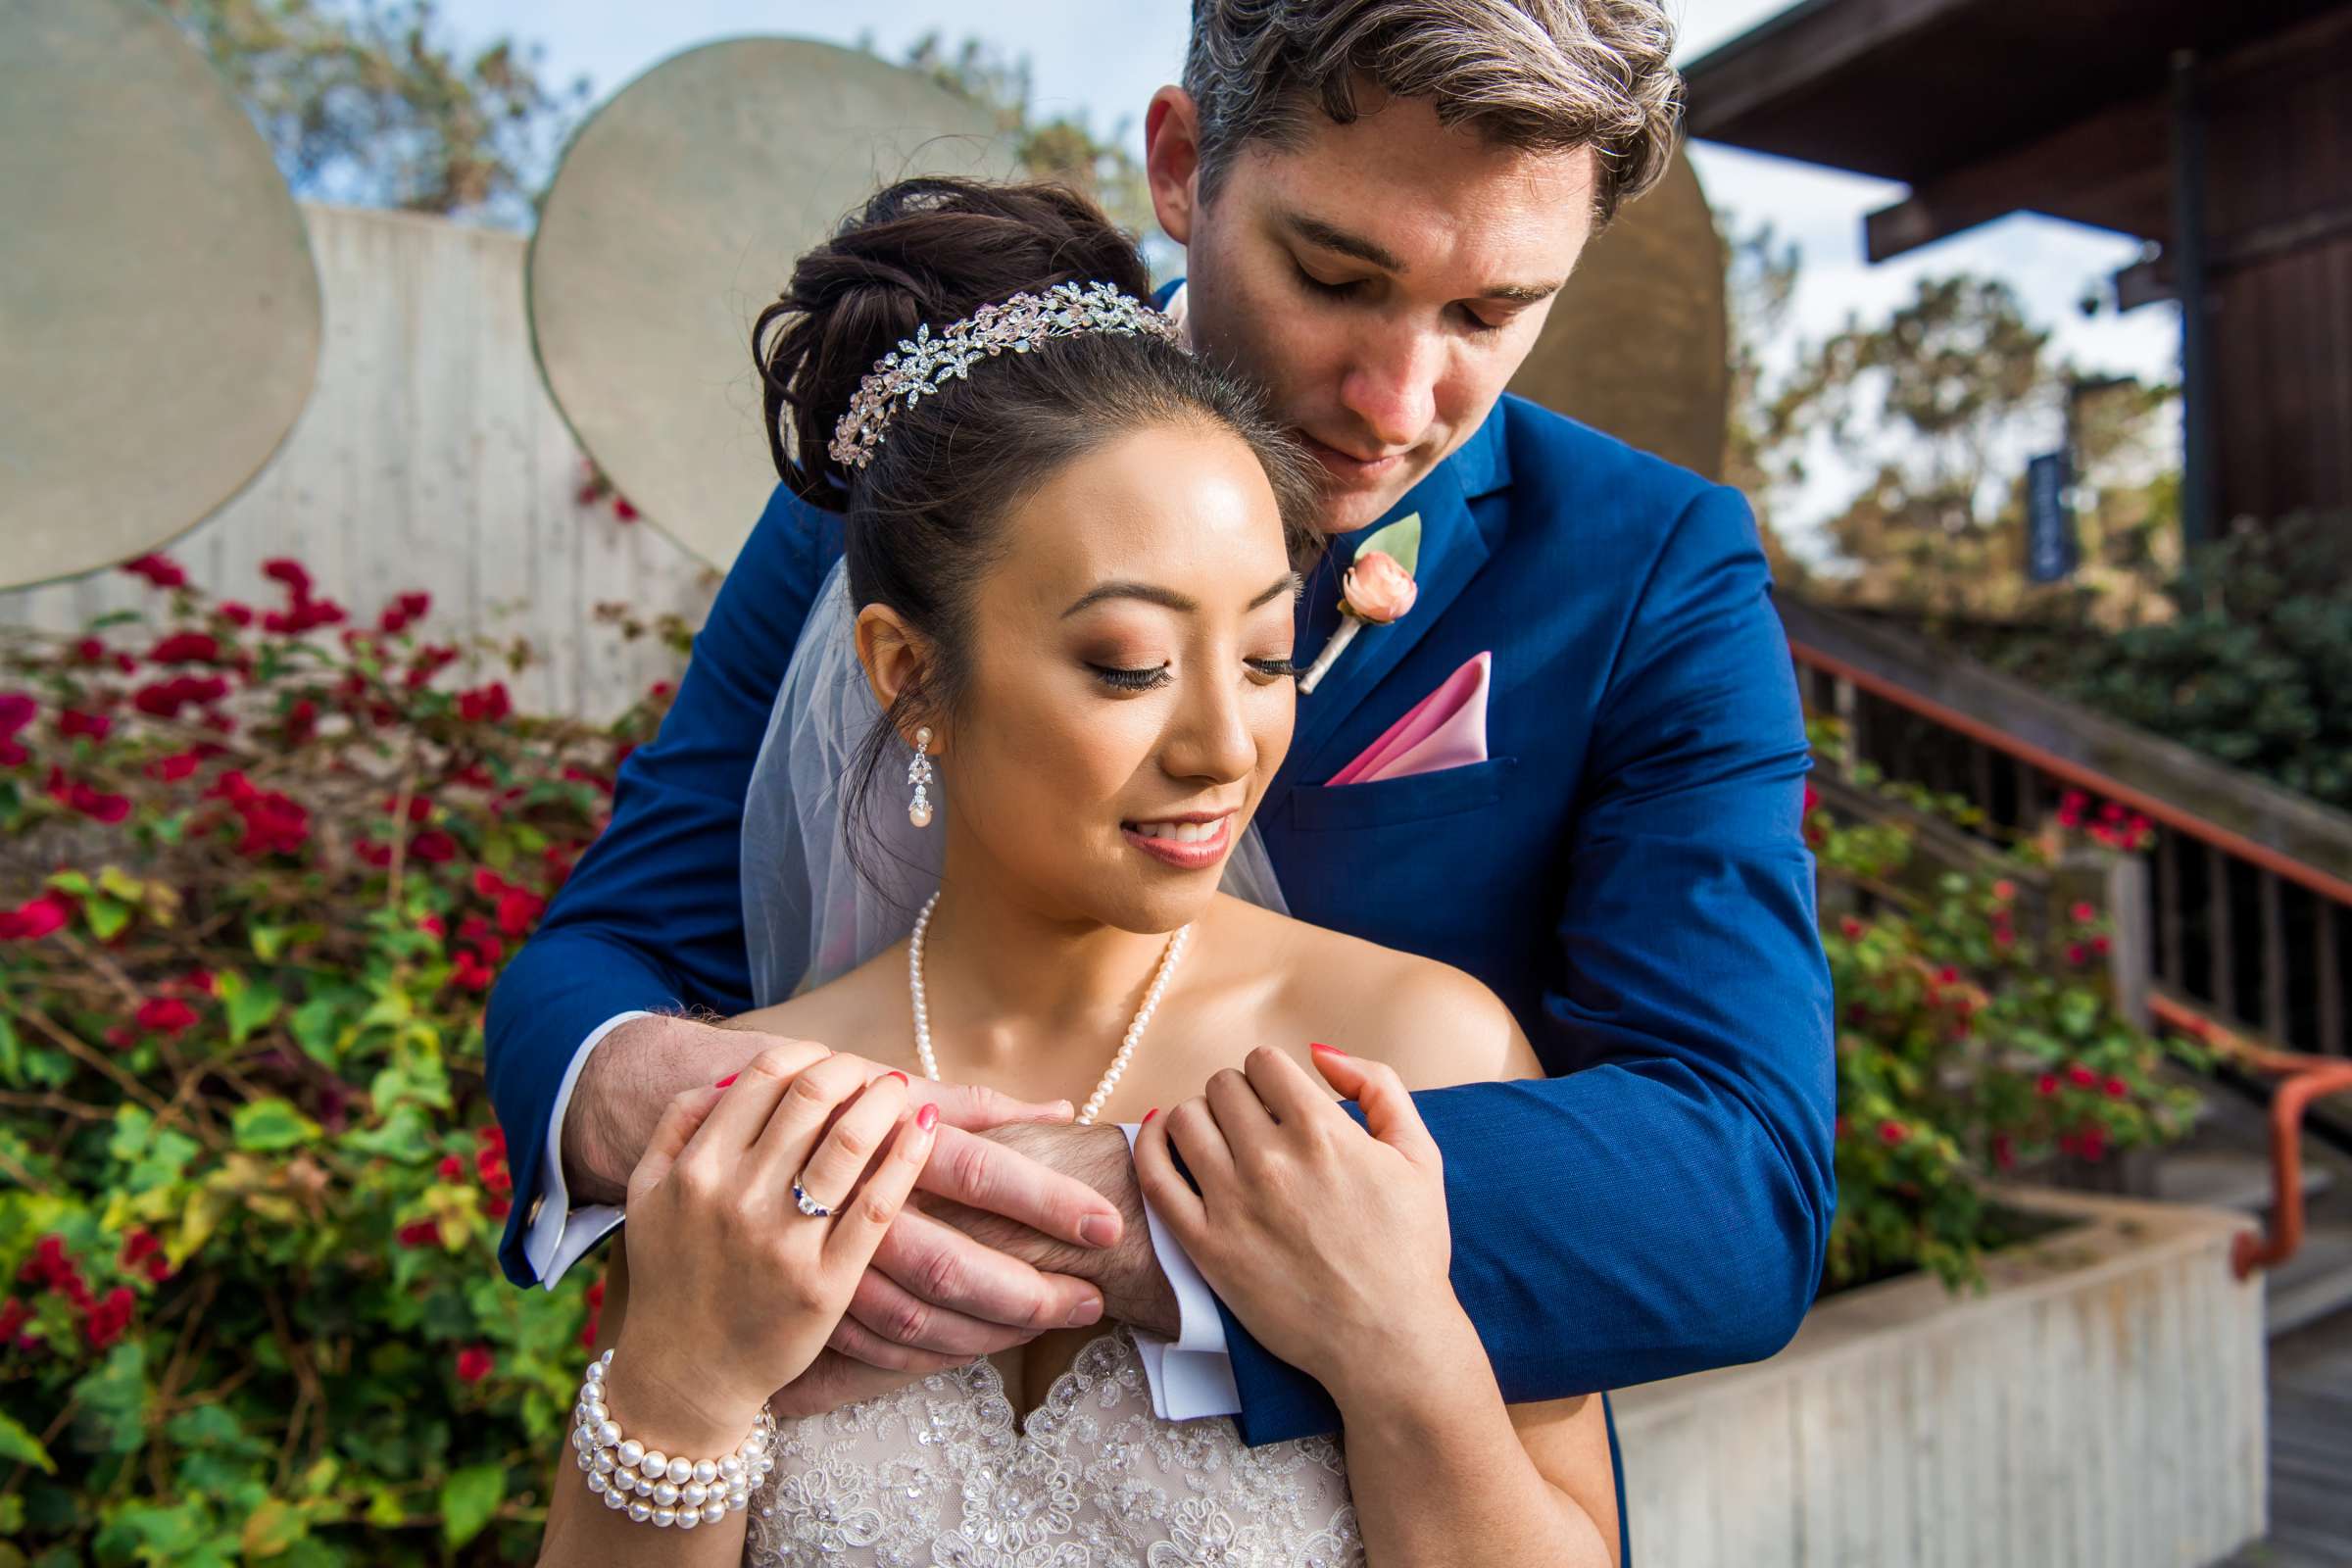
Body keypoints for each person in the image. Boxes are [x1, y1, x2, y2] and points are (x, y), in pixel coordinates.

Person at [494, 1, 1834, 1561]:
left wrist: (1150, 1204)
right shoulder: (922, 469)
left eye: (1492, 315)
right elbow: (618, 940)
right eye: (1338, 279)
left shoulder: (1646, 565)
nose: (1401, 403)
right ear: (1184, 166)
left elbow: (1739, 1179)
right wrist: (662, 1111)